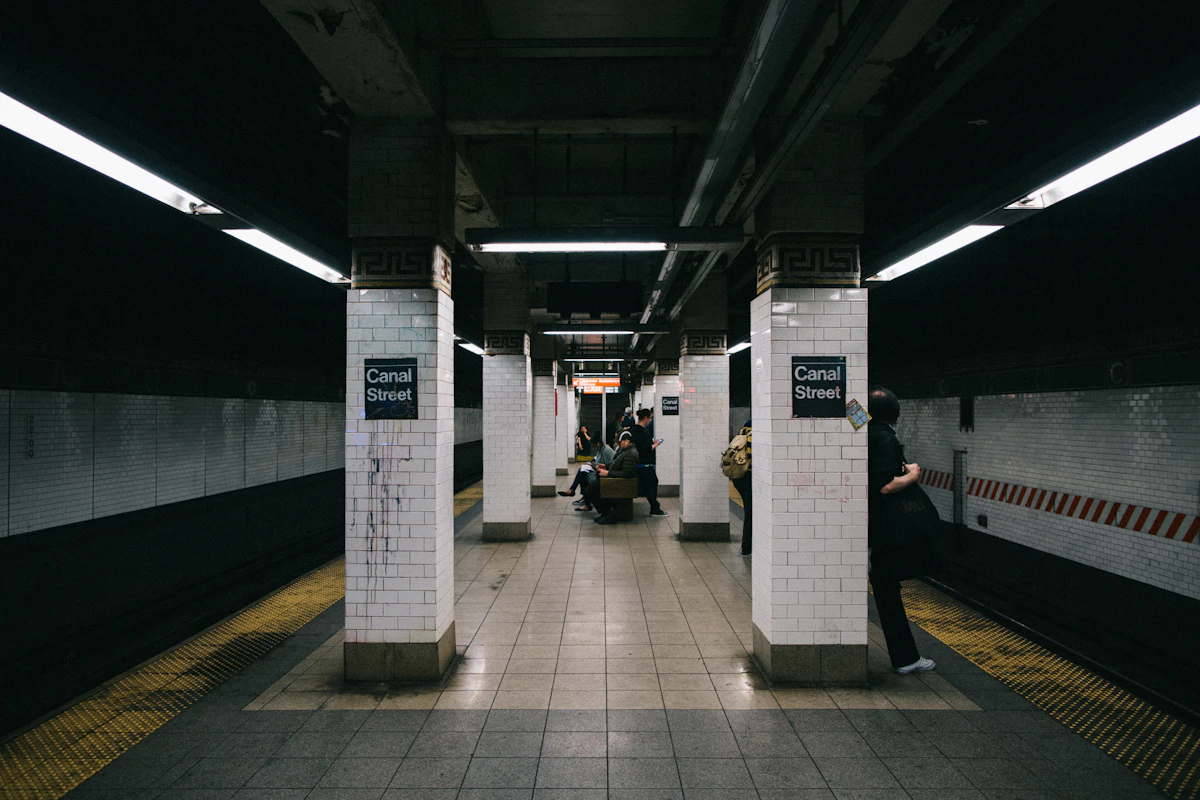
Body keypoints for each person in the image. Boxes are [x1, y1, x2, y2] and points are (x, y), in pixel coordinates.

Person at [868, 386, 935, 675]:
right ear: (893, 413)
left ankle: (905, 656)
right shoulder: (885, 438)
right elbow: (885, 485)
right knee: (887, 588)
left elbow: (848, 409)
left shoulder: (862, 430)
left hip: (870, 524)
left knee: (886, 587)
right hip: (883, 526)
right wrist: (913, 475)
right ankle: (906, 659)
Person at [582, 430, 639, 524]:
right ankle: (606, 513)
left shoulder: (630, 454)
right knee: (590, 490)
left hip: (620, 483)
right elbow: (617, 465)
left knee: (590, 491)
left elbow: (626, 474)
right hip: (616, 480)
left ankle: (607, 512)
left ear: (627, 441)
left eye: (619, 442)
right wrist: (606, 466)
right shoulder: (625, 451)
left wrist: (607, 473)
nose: (617, 444)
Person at [627, 409, 668, 516]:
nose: (650, 420)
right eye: (650, 418)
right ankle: (655, 508)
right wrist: (655, 445)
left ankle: (655, 507)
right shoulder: (642, 432)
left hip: (638, 463)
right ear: (645, 418)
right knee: (651, 485)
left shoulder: (634, 430)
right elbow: (645, 448)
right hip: (645, 465)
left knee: (649, 485)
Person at [559, 437, 616, 501]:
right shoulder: (601, 450)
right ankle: (580, 495)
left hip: (602, 475)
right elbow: (599, 460)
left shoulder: (606, 451)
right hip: (599, 472)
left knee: (582, 474)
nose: (593, 448)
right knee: (582, 470)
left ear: (598, 444)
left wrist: (594, 465)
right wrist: (594, 462)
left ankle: (580, 495)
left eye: (593, 446)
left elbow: (609, 466)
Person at [731, 418, 752, 554]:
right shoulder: (757, 437)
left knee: (749, 511)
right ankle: (747, 546)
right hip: (750, 477)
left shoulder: (741, 436)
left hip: (739, 477)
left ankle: (747, 546)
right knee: (751, 513)